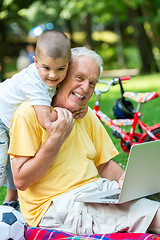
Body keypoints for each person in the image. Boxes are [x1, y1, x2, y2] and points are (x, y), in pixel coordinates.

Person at [9, 47, 160, 235]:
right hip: (55, 206)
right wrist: (57, 137)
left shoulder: (85, 114)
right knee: (156, 215)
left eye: (92, 83)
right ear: (62, 76)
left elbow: (104, 166)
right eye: (79, 78)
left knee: (154, 195)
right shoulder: (28, 113)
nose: (86, 88)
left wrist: (125, 181)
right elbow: (21, 180)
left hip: (95, 192)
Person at [0, 31, 86, 210]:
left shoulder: (48, 77)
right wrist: (69, 112)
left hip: (10, 119)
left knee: (14, 158)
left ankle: (11, 201)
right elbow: (45, 121)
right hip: (0, 118)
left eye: (61, 69)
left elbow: (61, 97)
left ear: (68, 63)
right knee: (1, 166)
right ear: (35, 62)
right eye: (46, 68)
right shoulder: (35, 84)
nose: (53, 75)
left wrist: (81, 105)